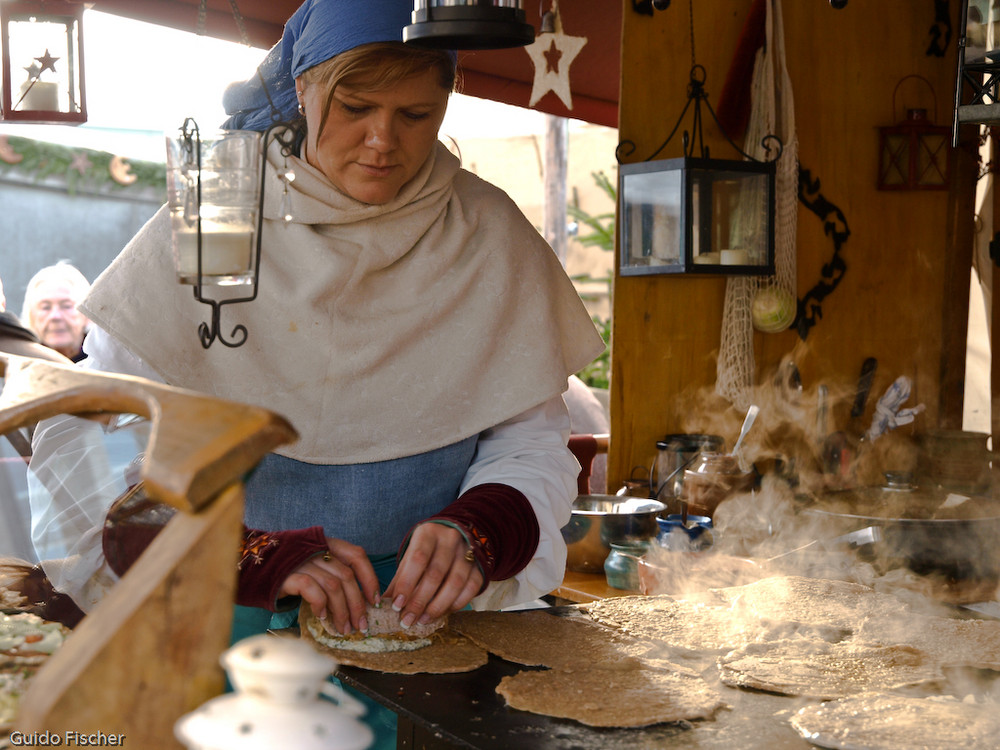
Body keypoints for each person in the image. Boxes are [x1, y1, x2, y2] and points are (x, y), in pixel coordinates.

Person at [40, 2, 602, 742]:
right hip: (229, 634)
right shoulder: (219, 219)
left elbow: (530, 440)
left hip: (432, 635)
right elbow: (96, 437)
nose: (383, 141)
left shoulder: (485, 232)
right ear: (303, 88)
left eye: (416, 114)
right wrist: (247, 554)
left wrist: (481, 526)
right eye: (357, 107)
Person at [21, 261, 91, 362]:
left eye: (66, 306)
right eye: (45, 307)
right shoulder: (19, 363)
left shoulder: (105, 362)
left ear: (86, 315)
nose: (55, 316)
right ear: (31, 316)